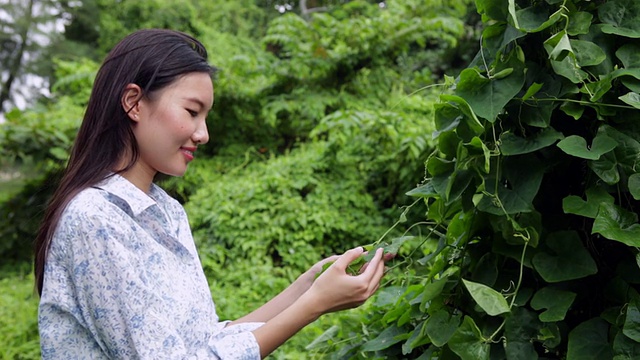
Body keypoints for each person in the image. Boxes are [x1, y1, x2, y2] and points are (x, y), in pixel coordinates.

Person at [34, 29, 388, 359]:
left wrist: (307, 287)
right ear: (134, 102)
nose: (203, 134)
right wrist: (314, 305)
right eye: (191, 111)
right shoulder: (94, 219)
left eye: (205, 117)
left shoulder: (167, 211)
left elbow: (205, 342)